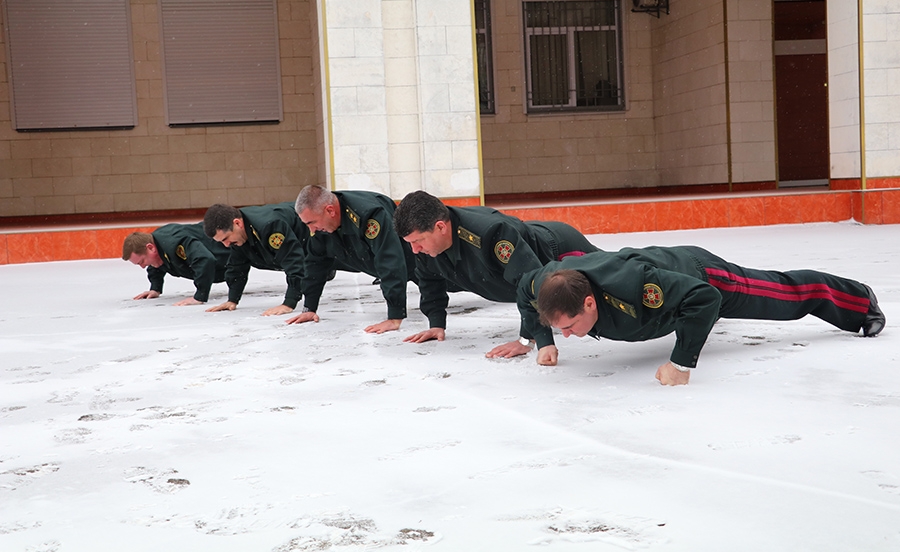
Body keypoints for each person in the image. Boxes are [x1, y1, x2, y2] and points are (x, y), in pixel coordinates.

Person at [519, 245, 886, 386]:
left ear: (589, 304)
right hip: (671, 297)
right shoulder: (547, 284)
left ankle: (858, 301)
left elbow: (703, 298)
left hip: (701, 276)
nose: (567, 335)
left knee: (783, 297)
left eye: (567, 328)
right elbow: (524, 287)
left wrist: (681, 363)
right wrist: (545, 341)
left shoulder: (635, 285)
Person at [392, 190, 599, 358]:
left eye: (417, 241)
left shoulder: (490, 234)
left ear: (440, 227)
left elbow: (532, 282)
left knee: (612, 279)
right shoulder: (427, 246)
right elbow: (429, 279)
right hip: (531, 252)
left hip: (560, 250)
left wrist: (531, 340)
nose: (414, 250)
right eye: (410, 243)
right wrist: (436, 323)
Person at [288, 185, 418, 334]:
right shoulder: (321, 223)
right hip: (371, 263)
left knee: (448, 285)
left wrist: (395, 316)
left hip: (420, 263)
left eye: (312, 223)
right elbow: (315, 263)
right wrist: (309, 308)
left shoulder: (369, 214)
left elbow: (389, 260)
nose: (312, 230)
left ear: (330, 210)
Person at [203, 202, 310, 316]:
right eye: (221, 242)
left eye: (226, 238)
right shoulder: (239, 233)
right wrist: (232, 299)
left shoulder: (270, 226)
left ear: (237, 223)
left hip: (319, 236)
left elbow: (294, 262)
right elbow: (237, 266)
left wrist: (289, 303)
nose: (226, 245)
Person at [122, 223, 229, 306]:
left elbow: (205, 259)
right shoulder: (157, 245)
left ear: (150, 248)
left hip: (229, 252)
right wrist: (155, 288)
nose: (143, 266)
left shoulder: (174, 243)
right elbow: (156, 265)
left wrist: (200, 296)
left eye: (142, 261)